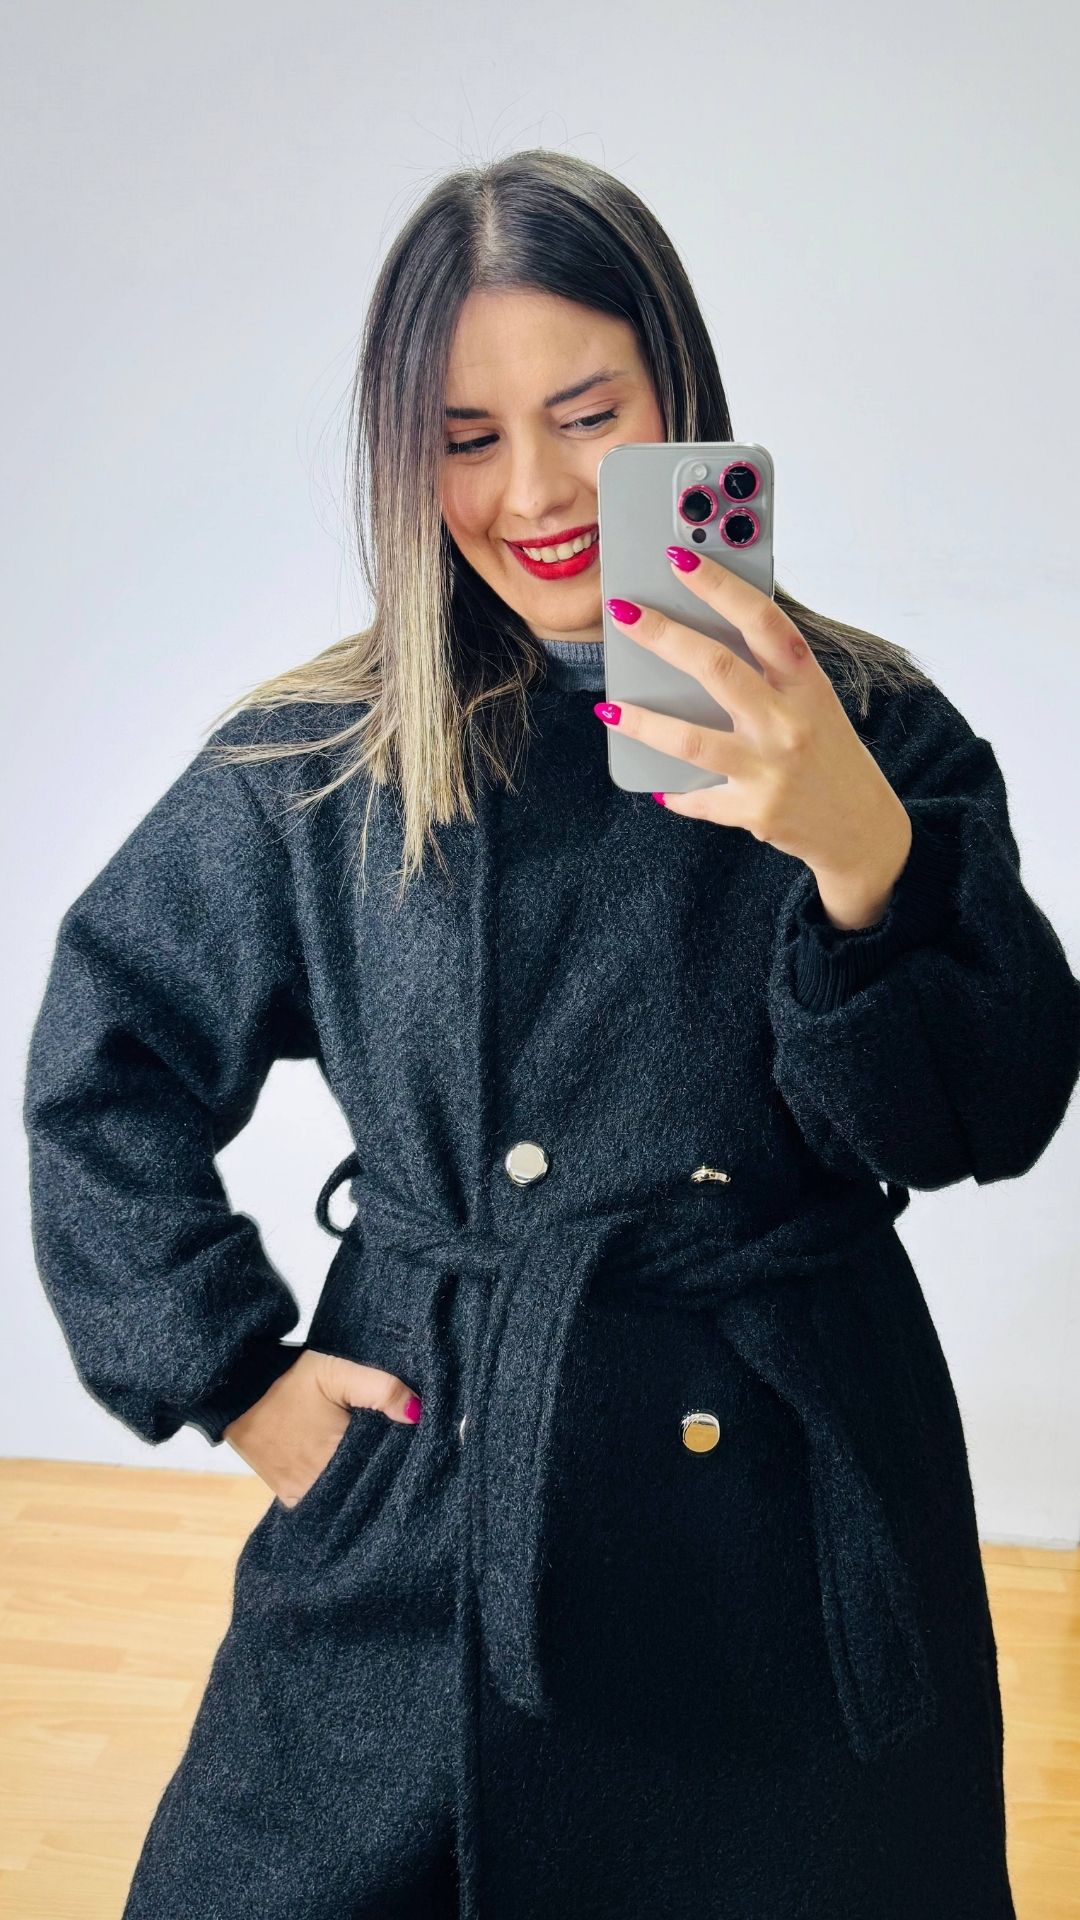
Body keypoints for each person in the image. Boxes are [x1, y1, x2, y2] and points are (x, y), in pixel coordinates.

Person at [23, 148, 1080, 1920]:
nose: (534, 491)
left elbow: (988, 1117)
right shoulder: (331, 758)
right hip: (443, 1474)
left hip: (788, 1505)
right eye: (465, 437)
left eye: (589, 416)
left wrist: (857, 849)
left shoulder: (871, 722)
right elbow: (103, 1062)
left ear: (681, 397)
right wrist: (233, 1377)